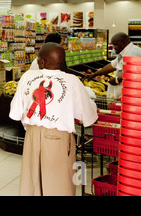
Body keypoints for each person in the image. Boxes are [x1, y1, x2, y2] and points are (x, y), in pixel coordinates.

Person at [10, 42, 98, 196]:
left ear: (42, 62)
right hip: (59, 138)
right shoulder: (72, 81)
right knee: (59, 184)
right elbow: (88, 117)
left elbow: (15, 113)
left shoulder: (27, 76)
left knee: (32, 182)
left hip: (32, 135)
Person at [84, 32, 141, 99]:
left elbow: (134, 72)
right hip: (124, 96)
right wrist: (94, 75)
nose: (113, 48)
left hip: (133, 96)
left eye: (115, 45)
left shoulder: (133, 53)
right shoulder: (124, 52)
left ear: (123, 42)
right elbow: (112, 65)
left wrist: (117, 80)